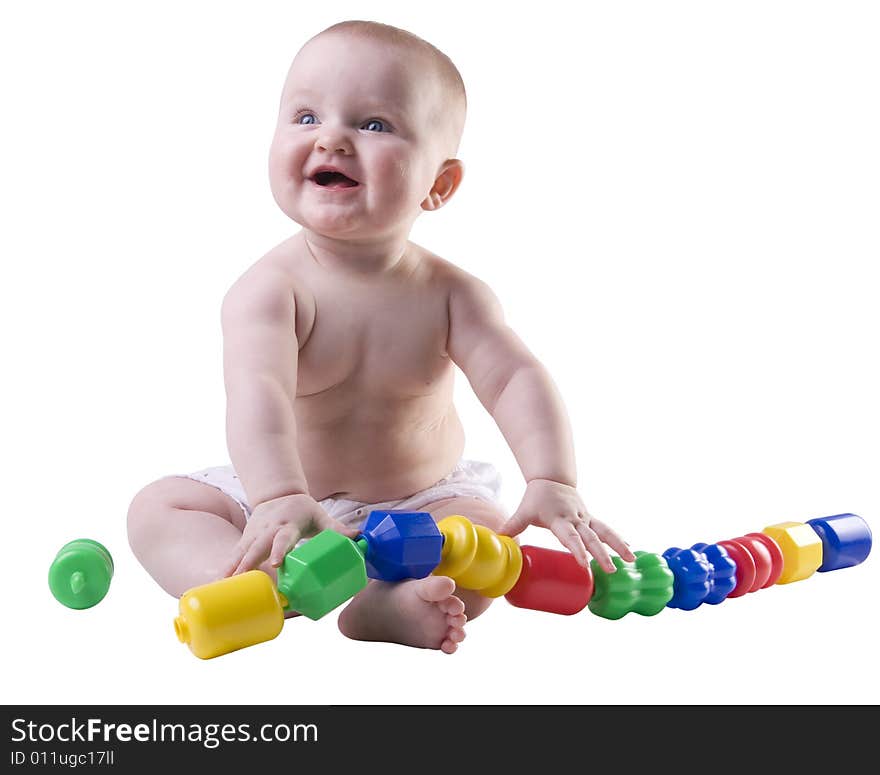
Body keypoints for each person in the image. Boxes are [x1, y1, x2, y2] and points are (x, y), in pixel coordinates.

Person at [127, 19, 635, 654]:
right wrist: (277, 496)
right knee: (158, 510)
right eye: (306, 116)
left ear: (438, 185)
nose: (332, 139)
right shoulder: (270, 289)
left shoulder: (453, 294)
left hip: (426, 501)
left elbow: (515, 379)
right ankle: (251, 584)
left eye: (374, 125)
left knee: (485, 545)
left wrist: (552, 477)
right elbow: (257, 394)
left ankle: (384, 605)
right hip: (289, 497)